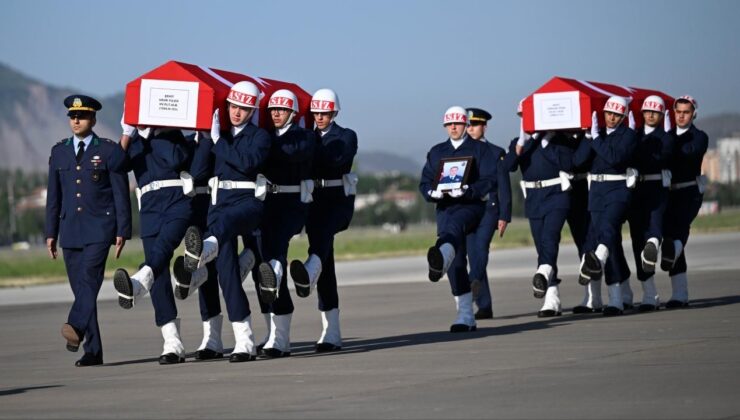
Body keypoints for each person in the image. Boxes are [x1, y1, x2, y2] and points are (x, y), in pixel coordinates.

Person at [181, 81, 271, 362]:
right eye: (233, 106)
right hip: (218, 205)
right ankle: (244, 340)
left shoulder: (260, 137)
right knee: (229, 276)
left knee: (223, 228)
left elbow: (247, 163)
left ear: (252, 110)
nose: (237, 112)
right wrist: (207, 138)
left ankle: (204, 250)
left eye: (243, 108)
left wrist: (220, 142)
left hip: (247, 205)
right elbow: (197, 173)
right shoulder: (219, 135)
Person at [45, 95, 131, 367]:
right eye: (72, 116)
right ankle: (93, 351)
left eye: (81, 116)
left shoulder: (108, 150)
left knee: (89, 282)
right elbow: (53, 197)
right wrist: (51, 233)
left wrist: (123, 230)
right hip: (69, 230)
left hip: (100, 228)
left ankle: (74, 326)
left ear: (93, 120)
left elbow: (120, 193)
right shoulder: (59, 152)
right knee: (83, 290)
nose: (76, 120)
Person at [115, 110, 193, 364]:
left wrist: (158, 132)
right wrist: (128, 133)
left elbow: (176, 159)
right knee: (158, 272)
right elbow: (116, 166)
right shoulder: (134, 139)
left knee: (163, 251)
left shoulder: (172, 135)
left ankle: (139, 282)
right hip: (149, 207)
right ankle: (172, 342)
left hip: (176, 202)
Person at [289, 88, 358, 352]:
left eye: (324, 113)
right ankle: (331, 332)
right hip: (313, 202)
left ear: (334, 112)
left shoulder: (347, 136)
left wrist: (306, 148)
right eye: (316, 112)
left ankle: (309, 269)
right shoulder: (307, 136)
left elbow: (334, 161)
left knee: (322, 236)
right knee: (326, 263)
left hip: (337, 202)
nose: (319, 117)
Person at [249, 89, 316, 358]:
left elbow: (290, 153)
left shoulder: (304, 137)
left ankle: (281, 338)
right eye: (272, 110)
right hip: (265, 204)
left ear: (293, 113)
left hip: (291, 205)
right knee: (262, 271)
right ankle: (272, 335)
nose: (275, 114)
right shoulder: (265, 136)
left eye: (281, 110)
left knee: (275, 260)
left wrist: (259, 141)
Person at [420, 106, 495, 332]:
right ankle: (465, 314)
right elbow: (425, 181)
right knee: (456, 263)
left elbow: (490, 180)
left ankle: (440, 256)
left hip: (469, 206)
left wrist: (468, 190)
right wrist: (430, 193)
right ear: (445, 126)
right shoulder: (436, 152)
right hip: (444, 207)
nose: (454, 127)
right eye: (450, 124)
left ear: (466, 125)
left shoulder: (479, 150)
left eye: (458, 123)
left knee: (451, 232)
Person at [504, 104, 575, 318]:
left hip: (557, 195)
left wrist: (547, 143)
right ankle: (552, 297)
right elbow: (507, 166)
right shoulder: (519, 143)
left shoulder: (560, 139)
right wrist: (520, 146)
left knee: (550, 238)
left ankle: (544, 273)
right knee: (541, 244)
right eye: (523, 116)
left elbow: (570, 163)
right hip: (534, 199)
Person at [574, 96, 638, 316]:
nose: (611, 118)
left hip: (618, 190)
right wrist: (588, 137)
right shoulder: (596, 134)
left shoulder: (628, 135)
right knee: (612, 242)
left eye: (616, 115)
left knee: (608, 232)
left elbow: (615, 158)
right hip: (597, 193)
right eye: (609, 113)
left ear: (622, 116)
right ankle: (619, 297)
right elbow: (578, 161)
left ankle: (597, 263)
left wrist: (596, 141)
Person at [170, 130, 226, 361]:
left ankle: (214, 339)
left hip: (211, 205)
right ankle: (211, 338)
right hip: (186, 207)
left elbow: (199, 170)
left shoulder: (213, 137)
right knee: (204, 272)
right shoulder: (178, 141)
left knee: (214, 271)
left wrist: (206, 138)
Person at [462, 107, 511, 319]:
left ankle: (471, 285)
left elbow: (504, 186)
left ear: (484, 127)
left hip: (489, 208)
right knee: (474, 255)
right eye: (468, 125)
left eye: (475, 125)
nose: (471, 129)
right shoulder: (460, 151)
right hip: (468, 209)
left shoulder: (496, 153)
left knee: (481, 248)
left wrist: (504, 215)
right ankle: (484, 305)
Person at [626, 95, 674, 312]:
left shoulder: (666, 137)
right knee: (638, 241)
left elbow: (665, 156)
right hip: (636, 190)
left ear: (662, 114)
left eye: (655, 111)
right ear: (642, 113)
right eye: (647, 111)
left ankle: (654, 245)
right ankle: (649, 293)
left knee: (654, 230)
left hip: (656, 188)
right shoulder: (634, 136)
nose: (651, 115)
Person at [661, 95, 708, 308]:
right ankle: (679, 294)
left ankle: (680, 292)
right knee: (670, 238)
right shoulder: (667, 135)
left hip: (690, 192)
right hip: (669, 193)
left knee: (679, 232)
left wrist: (667, 145)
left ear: (693, 114)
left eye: (686, 112)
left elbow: (689, 153)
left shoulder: (699, 136)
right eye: (678, 111)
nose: (681, 115)